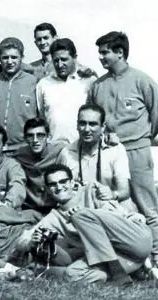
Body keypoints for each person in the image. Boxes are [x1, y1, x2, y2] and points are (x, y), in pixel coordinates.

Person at [87, 31, 158, 269]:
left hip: (137, 150)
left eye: (105, 52)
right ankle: (125, 261)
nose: (101, 57)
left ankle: (157, 257)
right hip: (109, 153)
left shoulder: (142, 80)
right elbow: (94, 117)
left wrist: (143, 137)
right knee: (112, 203)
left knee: (147, 204)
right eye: (99, 52)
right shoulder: (98, 85)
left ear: (120, 52)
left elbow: (156, 113)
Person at [17, 164, 151, 283]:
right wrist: (32, 242)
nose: (59, 187)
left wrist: (85, 214)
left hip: (133, 240)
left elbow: (123, 216)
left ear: (72, 182)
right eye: (52, 184)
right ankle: (133, 270)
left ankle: (118, 273)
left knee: (80, 215)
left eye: (63, 181)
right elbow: (22, 241)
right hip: (119, 255)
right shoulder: (54, 217)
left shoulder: (92, 191)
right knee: (72, 273)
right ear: (47, 189)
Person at [57, 104, 135, 212]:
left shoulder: (116, 150)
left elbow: (125, 191)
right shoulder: (66, 153)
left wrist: (113, 194)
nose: (87, 129)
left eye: (93, 124)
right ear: (77, 125)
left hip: (110, 206)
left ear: (103, 127)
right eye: (82, 123)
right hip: (80, 209)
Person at [0, 37, 40, 154]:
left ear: (22, 58)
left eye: (14, 57)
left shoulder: (33, 83)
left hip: (25, 149)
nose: (10, 62)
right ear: (0, 59)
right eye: (5, 58)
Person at [36, 38, 97, 143]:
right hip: (53, 148)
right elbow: (42, 117)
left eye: (64, 59)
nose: (60, 65)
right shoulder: (43, 84)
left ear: (75, 58)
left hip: (83, 147)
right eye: (56, 60)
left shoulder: (89, 81)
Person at [13, 118, 66, 215]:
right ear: (25, 138)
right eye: (30, 136)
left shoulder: (60, 151)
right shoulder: (20, 155)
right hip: (30, 208)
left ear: (48, 137)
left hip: (54, 208)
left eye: (40, 135)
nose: (35, 140)